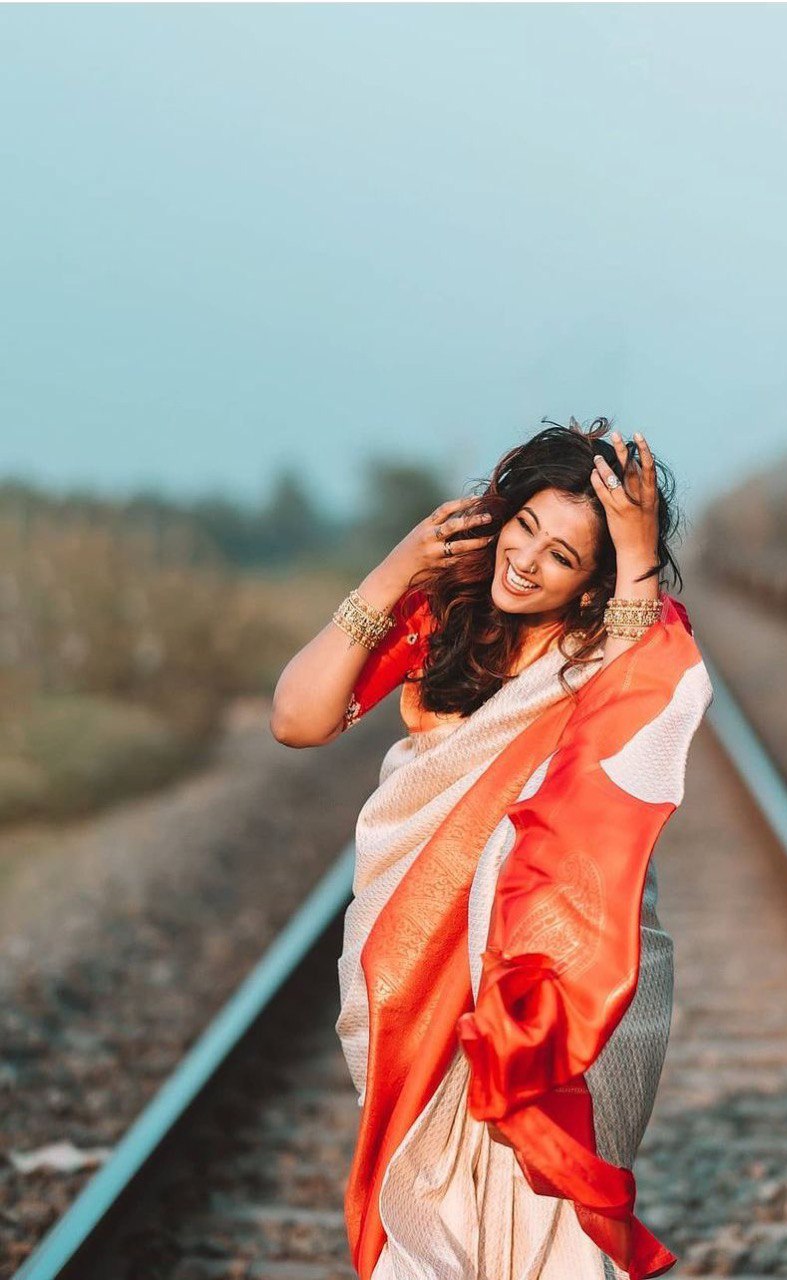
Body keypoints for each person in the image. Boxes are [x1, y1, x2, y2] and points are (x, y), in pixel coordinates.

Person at [271, 418, 712, 1280]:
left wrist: (635, 553)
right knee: (432, 1216)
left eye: (561, 557)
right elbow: (297, 718)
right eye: (525, 529)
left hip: (565, 970)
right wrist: (400, 562)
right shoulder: (441, 619)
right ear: (497, 513)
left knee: (553, 1217)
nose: (527, 561)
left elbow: (631, 710)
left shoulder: (611, 644)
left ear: (594, 582)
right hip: (421, 965)